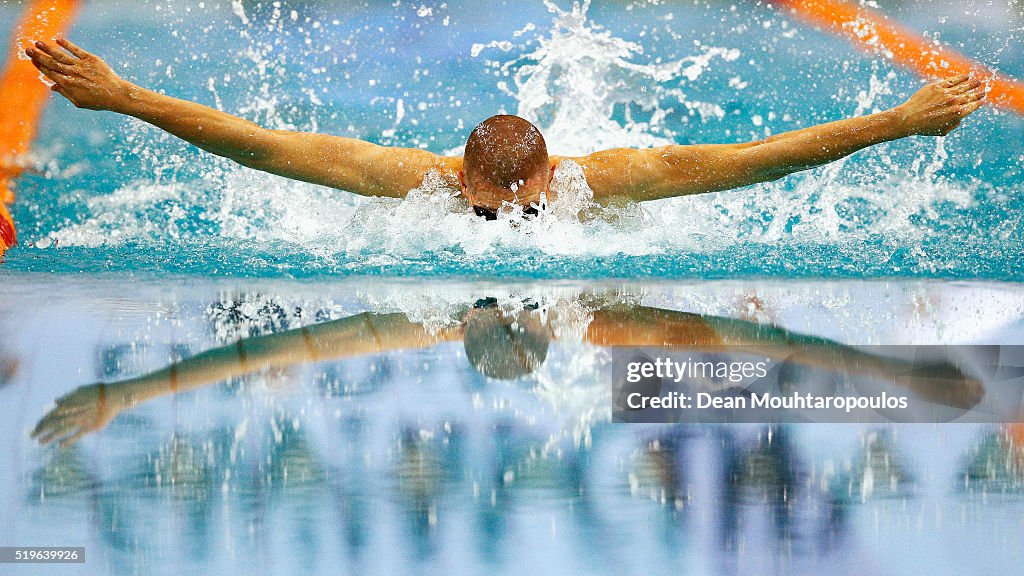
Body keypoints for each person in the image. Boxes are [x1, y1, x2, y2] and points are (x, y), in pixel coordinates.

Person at [24, 37, 986, 220]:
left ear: (551, 176)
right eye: (490, 214)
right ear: (464, 181)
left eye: (517, 215)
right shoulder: (419, 182)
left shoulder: (607, 180)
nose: (504, 230)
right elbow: (261, 145)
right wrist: (129, 99)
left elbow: (754, 160)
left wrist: (897, 121)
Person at [32, 292, 983, 446]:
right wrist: (890, 373)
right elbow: (771, 346)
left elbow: (259, 356)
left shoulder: (414, 319)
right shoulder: (605, 322)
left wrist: (128, 393)